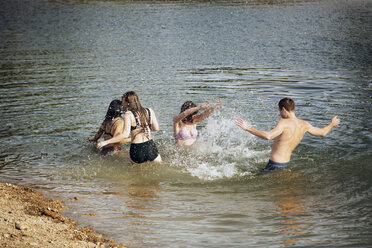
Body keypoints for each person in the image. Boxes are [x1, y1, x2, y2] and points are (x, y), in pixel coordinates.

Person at [235, 97, 340, 171]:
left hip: (274, 165)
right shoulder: (305, 124)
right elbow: (323, 133)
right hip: (286, 164)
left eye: (280, 111)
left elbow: (268, 136)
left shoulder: (283, 123)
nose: (280, 114)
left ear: (283, 109)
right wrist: (332, 124)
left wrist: (247, 128)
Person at [97, 91, 161, 164]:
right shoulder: (150, 111)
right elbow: (156, 128)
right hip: (150, 146)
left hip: (137, 148)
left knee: (136, 174)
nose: (122, 104)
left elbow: (125, 135)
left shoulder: (128, 114)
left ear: (128, 103)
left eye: (123, 101)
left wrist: (105, 142)